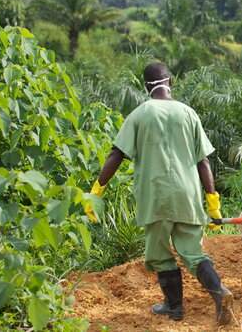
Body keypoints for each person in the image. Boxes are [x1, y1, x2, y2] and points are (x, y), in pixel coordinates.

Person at [85, 62, 234, 325]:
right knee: (193, 254)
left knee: (159, 255)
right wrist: (212, 202)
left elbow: (116, 154)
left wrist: (97, 190)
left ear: (146, 86)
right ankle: (219, 292)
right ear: (171, 82)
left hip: (155, 196)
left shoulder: (140, 114)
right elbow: (204, 162)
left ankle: (174, 307)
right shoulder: (188, 114)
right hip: (187, 196)